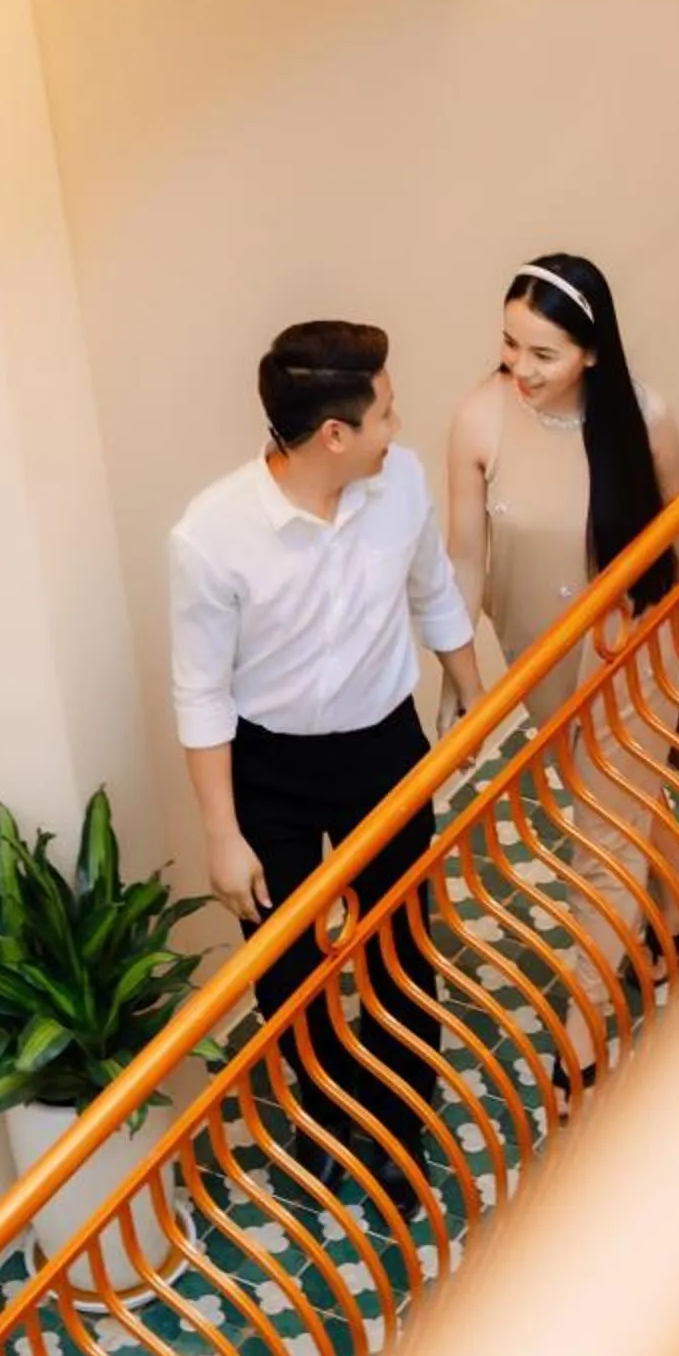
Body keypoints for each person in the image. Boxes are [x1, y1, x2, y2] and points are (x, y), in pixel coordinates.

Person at [170, 320, 481, 1211]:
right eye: (384, 414)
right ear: (333, 435)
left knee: (399, 944)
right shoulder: (211, 538)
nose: (398, 428)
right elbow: (201, 694)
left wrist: (474, 696)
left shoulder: (402, 482)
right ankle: (327, 1118)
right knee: (288, 965)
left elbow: (432, 592)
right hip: (267, 768)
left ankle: (399, 1126)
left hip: (383, 745)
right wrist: (223, 835)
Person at [443, 254, 679, 1059]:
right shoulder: (479, 421)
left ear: (592, 351)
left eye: (543, 354)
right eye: (510, 346)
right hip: (536, 654)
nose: (520, 368)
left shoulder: (644, 414)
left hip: (631, 644)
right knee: (618, 805)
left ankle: (582, 1031)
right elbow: (461, 559)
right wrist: (462, 680)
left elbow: (676, 531)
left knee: (602, 833)